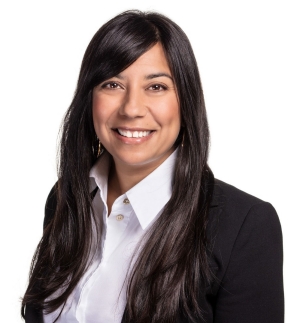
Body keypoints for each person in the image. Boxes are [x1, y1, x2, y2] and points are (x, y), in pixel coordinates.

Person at [21, 10, 284, 323]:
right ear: (89, 97)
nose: (132, 108)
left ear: (185, 100)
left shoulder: (244, 226)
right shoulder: (66, 196)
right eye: (112, 84)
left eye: (156, 86)